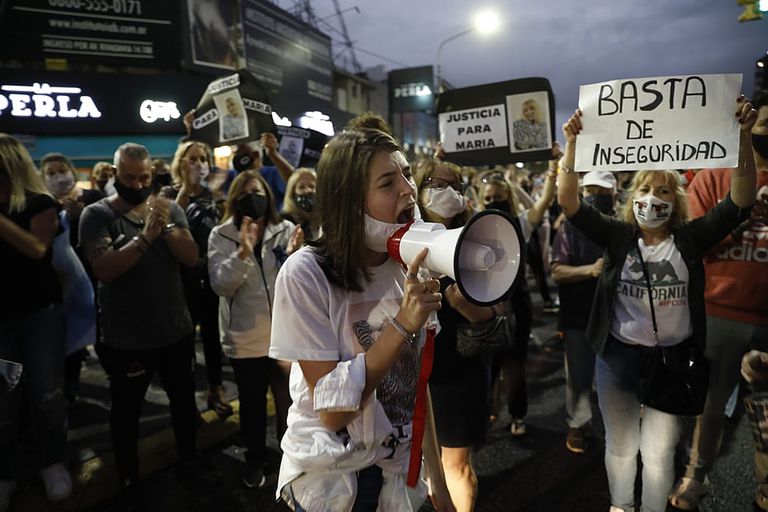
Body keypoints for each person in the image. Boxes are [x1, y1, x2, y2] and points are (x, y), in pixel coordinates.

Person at [556, 96, 758, 512]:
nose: (652, 198)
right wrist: (573, 146)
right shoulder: (617, 235)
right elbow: (569, 202)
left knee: (660, 452)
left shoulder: (690, 238)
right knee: (620, 446)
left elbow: (739, 202)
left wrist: (742, 137)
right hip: (617, 358)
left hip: (673, 359)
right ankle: (621, 505)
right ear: (634, 197)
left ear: (676, 200)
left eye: (663, 190)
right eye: (645, 189)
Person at [268, 129, 453, 511]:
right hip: (335, 479)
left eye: (406, 174)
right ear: (349, 201)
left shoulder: (409, 265)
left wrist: (438, 482)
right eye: (388, 182)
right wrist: (401, 326)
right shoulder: (305, 273)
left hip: (400, 471)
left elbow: (415, 387)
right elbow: (333, 413)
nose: (408, 189)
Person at [78, 142, 203, 505]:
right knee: (127, 410)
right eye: (130, 178)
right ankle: (128, 476)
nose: (138, 184)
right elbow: (105, 269)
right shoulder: (97, 215)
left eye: (144, 177)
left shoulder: (170, 209)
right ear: (115, 174)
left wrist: (165, 225)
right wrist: (146, 236)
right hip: (127, 338)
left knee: (183, 403)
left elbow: (191, 257)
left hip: (175, 330)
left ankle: (190, 460)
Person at [669, 91, 768, 511]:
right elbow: (692, 243)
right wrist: (740, 217)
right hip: (719, 314)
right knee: (709, 406)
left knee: (766, 413)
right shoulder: (713, 177)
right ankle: (696, 475)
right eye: (765, 124)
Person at [415, 158, 498, 511]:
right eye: (438, 184)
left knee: (454, 466)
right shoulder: (399, 240)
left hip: (457, 371)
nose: (449, 192)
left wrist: (466, 307)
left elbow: (497, 313)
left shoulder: (478, 242)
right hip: (411, 371)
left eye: (456, 186)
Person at [208, 170, 300, 488]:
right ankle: (256, 459)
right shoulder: (222, 235)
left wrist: (294, 256)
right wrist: (243, 252)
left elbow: (294, 281)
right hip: (246, 339)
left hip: (284, 336)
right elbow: (221, 285)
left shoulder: (283, 229)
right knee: (252, 406)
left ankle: (292, 459)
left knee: (289, 401)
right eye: (246, 192)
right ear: (235, 199)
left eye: (258, 192)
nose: (253, 198)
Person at [0, 134, 72, 509]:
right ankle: (5, 473)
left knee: (47, 395)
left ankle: (52, 461)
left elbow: (36, 248)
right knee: (4, 402)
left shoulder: (39, 203)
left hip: (39, 315)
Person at [478, 152, 558, 437]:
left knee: (514, 362)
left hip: (516, 304)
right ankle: (487, 412)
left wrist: (553, 169)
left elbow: (544, 202)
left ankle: (517, 414)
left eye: (498, 197)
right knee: (489, 363)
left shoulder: (519, 223)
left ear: (508, 198)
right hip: (485, 304)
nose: (493, 202)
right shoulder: (474, 225)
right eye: (488, 198)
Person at [551, 170, 618, 453]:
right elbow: (557, 271)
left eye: (602, 192)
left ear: (614, 194)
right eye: (591, 191)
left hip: (617, 316)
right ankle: (577, 424)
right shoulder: (569, 227)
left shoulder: (624, 225)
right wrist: (589, 270)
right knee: (579, 374)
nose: (596, 197)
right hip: (579, 313)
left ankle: (616, 427)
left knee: (616, 376)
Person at [168, 140, 232, 416]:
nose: (198, 164)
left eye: (203, 159)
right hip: (181, 277)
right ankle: (186, 398)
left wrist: (218, 196)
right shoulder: (170, 193)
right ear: (180, 162)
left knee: (212, 337)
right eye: (192, 159)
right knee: (183, 341)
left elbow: (227, 225)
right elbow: (171, 218)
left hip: (211, 274)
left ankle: (216, 389)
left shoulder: (214, 194)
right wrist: (186, 186)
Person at [41, 153, 103, 404]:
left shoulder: (93, 198)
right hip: (60, 282)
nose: (58, 177)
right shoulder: (43, 207)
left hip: (94, 276)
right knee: (64, 335)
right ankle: (67, 386)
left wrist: (82, 215)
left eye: (62, 170)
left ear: (72, 171)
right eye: (51, 173)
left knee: (97, 331)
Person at [230, 133, 295, 210]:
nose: (238, 157)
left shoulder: (273, 173)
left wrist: (273, 154)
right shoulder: (234, 175)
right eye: (236, 153)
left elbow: (295, 182)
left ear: (255, 154)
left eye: (242, 153)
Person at [280, 167, 317, 241]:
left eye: (311, 186)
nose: (308, 190)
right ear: (292, 193)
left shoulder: (324, 218)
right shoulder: (284, 221)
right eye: (301, 187)